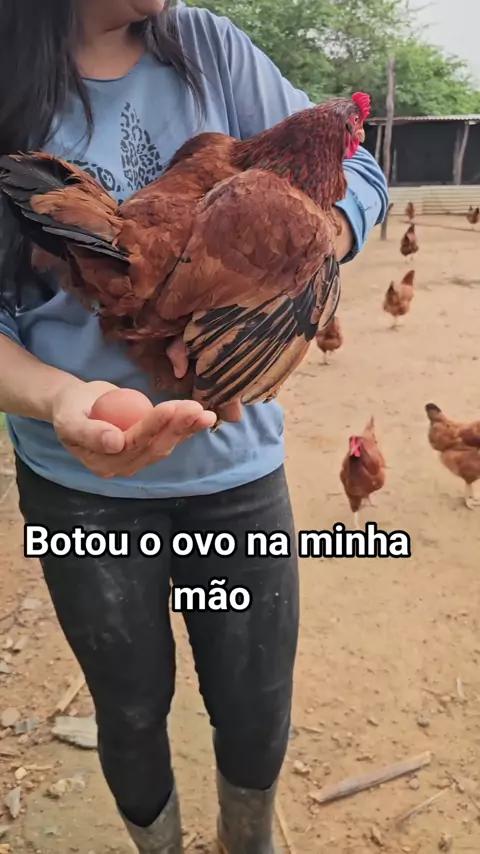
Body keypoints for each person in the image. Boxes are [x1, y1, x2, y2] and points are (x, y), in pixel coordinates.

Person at [0, 1, 388, 852]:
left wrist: (310, 243)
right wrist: (59, 399)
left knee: (255, 704)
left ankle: (248, 841)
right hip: (83, 489)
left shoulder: (207, 43)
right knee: (131, 707)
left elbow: (363, 175)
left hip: (232, 476)